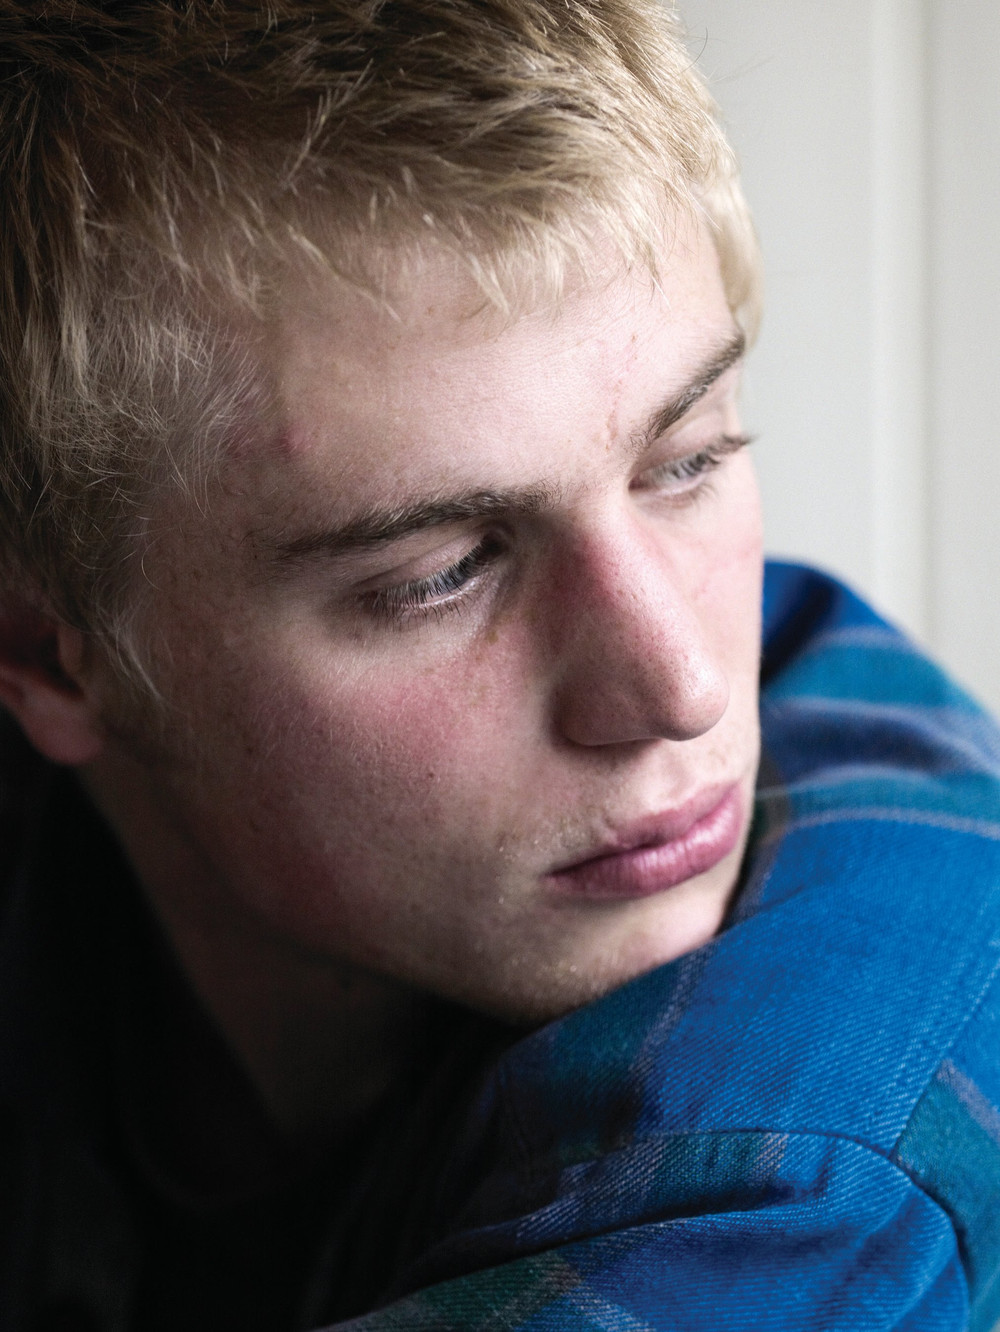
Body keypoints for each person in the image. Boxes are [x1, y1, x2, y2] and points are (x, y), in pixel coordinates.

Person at [1, 1, 998, 1328]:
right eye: (440, 574)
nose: (683, 688)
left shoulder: (806, 1154)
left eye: (688, 461)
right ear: (43, 655)